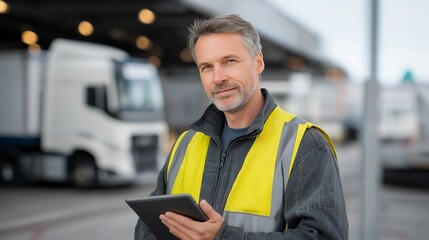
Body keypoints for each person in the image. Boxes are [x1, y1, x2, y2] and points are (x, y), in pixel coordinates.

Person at [135, 14, 348, 240]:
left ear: (258, 62)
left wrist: (225, 237)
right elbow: (147, 226)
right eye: (207, 67)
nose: (218, 77)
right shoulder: (186, 143)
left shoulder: (305, 144)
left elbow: (324, 237)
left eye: (229, 61)